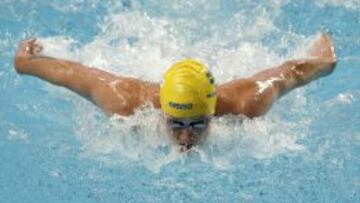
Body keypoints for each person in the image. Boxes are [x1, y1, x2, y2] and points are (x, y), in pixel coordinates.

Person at [14, 34, 336, 152]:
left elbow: (290, 73)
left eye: (198, 125)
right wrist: (25, 61)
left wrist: (325, 58)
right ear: (163, 113)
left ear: (213, 113)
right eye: (176, 124)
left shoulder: (246, 101)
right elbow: (71, 74)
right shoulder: (124, 101)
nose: (185, 138)